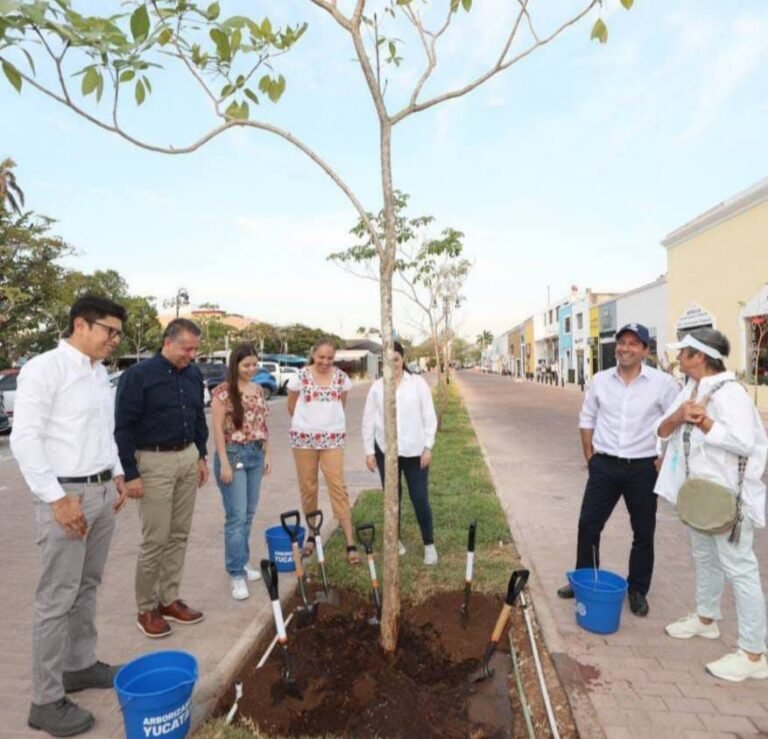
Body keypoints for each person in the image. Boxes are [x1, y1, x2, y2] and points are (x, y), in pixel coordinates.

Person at [11, 295, 129, 737]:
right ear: (81, 324)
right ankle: (44, 699)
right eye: (109, 331)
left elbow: (104, 431)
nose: (114, 341)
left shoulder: (99, 375)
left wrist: (117, 473)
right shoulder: (45, 369)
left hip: (100, 492)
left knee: (88, 585)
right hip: (66, 495)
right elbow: (25, 439)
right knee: (56, 598)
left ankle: (78, 666)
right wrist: (55, 499)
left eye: (117, 333)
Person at [655, 329, 768, 681]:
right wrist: (680, 417)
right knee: (704, 558)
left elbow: (745, 443)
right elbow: (661, 430)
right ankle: (706, 619)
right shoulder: (689, 389)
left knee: (740, 569)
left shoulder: (731, 394)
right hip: (698, 497)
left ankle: (753, 653)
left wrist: (704, 421)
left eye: (684, 353)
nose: (679, 358)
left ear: (700, 357)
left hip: (727, 499)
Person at [556, 323, 679, 616]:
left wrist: (663, 458)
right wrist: (590, 457)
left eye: (633, 344)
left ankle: (637, 589)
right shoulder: (600, 380)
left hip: (643, 468)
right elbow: (587, 418)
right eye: (622, 342)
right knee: (588, 525)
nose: (625, 348)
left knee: (643, 531)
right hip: (605, 465)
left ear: (646, 350)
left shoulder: (662, 384)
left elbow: (675, 422)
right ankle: (584, 578)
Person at [115, 318, 209, 638]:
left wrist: (201, 455)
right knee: (156, 539)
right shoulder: (137, 376)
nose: (192, 355)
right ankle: (146, 608)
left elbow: (198, 417)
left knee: (179, 534)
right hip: (152, 462)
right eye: (187, 348)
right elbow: (123, 427)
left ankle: (169, 598)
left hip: (187, 457)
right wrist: (130, 474)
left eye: (195, 349)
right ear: (168, 342)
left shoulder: (194, 375)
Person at [362, 341, 438, 564]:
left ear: (402, 359)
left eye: (396, 359)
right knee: (392, 499)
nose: (392, 364)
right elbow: (368, 420)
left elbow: (429, 416)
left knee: (419, 497)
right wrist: (369, 451)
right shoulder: (377, 387)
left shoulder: (418, 384)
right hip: (386, 451)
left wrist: (428, 447)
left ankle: (429, 545)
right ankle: (396, 541)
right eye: (388, 360)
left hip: (415, 452)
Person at [286, 338, 359, 564]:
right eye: (321, 357)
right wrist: (308, 426)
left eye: (330, 358)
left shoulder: (341, 379)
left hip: (332, 439)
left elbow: (341, 404)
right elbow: (291, 406)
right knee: (308, 487)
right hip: (304, 440)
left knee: (337, 485)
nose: (325, 362)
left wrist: (326, 426)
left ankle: (350, 541)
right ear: (313, 355)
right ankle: (311, 535)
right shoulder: (300, 377)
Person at [211, 344, 271, 601]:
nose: (251, 369)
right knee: (235, 517)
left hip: (255, 455)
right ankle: (236, 573)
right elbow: (217, 430)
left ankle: (243, 561)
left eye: (254, 364)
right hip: (233, 456)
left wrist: (267, 454)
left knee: (248, 514)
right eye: (246, 365)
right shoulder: (222, 393)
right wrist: (223, 462)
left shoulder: (258, 390)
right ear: (235, 365)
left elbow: (262, 424)